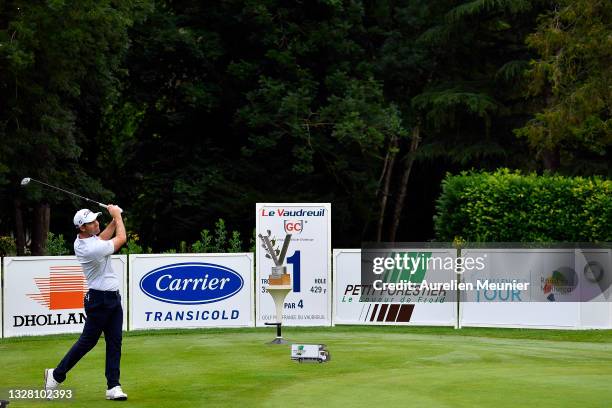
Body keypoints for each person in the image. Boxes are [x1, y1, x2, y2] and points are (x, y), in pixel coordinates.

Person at [44, 205, 128, 401]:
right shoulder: (90, 248)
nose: (96, 223)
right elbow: (121, 239)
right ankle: (56, 375)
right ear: (82, 228)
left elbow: (103, 237)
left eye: (96, 219)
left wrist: (115, 219)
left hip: (113, 298)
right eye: (91, 222)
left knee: (115, 342)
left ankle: (113, 386)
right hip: (99, 300)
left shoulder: (90, 240)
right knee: (87, 342)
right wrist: (117, 216)